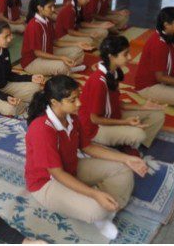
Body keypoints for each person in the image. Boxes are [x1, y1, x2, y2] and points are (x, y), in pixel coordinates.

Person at [25, 75, 148, 240]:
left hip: (71, 168)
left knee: (124, 169)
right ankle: (101, 212)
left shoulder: (72, 117)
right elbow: (57, 174)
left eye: (78, 97)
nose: (79, 103)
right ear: (55, 102)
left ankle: (107, 209)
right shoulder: (41, 129)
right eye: (72, 100)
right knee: (96, 209)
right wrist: (94, 194)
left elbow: (88, 147)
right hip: (46, 183)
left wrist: (126, 159)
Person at [78, 36, 165, 151]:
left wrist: (143, 106)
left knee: (157, 114)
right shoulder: (98, 82)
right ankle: (122, 143)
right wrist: (125, 122)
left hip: (111, 116)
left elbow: (117, 103)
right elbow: (94, 119)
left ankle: (132, 145)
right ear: (111, 56)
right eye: (125, 54)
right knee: (139, 134)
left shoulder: (113, 72)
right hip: (95, 129)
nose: (130, 57)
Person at [0, 21, 44, 116]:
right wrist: (6, 97)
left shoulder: (4, 50)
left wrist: (30, 78)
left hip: (2, 86)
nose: (10, 39)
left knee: (36, 88)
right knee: (11, 109)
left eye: (10, 35)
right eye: (6, 36)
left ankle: (13, 101)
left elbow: (8, 74)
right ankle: (4, 103)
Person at [134, 7, 174, 108]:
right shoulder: (158, 43)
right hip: (150, 86)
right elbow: (160, 77)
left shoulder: (173, 37)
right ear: (166, 25)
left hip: (167, 79)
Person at [21, 0, 86, 76]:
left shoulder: (47, 21)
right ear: (40, 8)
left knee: (78, 50)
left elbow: (55, 42)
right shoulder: (34, 25)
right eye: (49, 7)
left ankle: (66, 69)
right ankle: (65, 69)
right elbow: (38, 53)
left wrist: (77, 44)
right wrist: (61, 58)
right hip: (33, 61)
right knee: (61, 65)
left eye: (53, 6)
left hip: (48, 53)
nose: (53, 9)